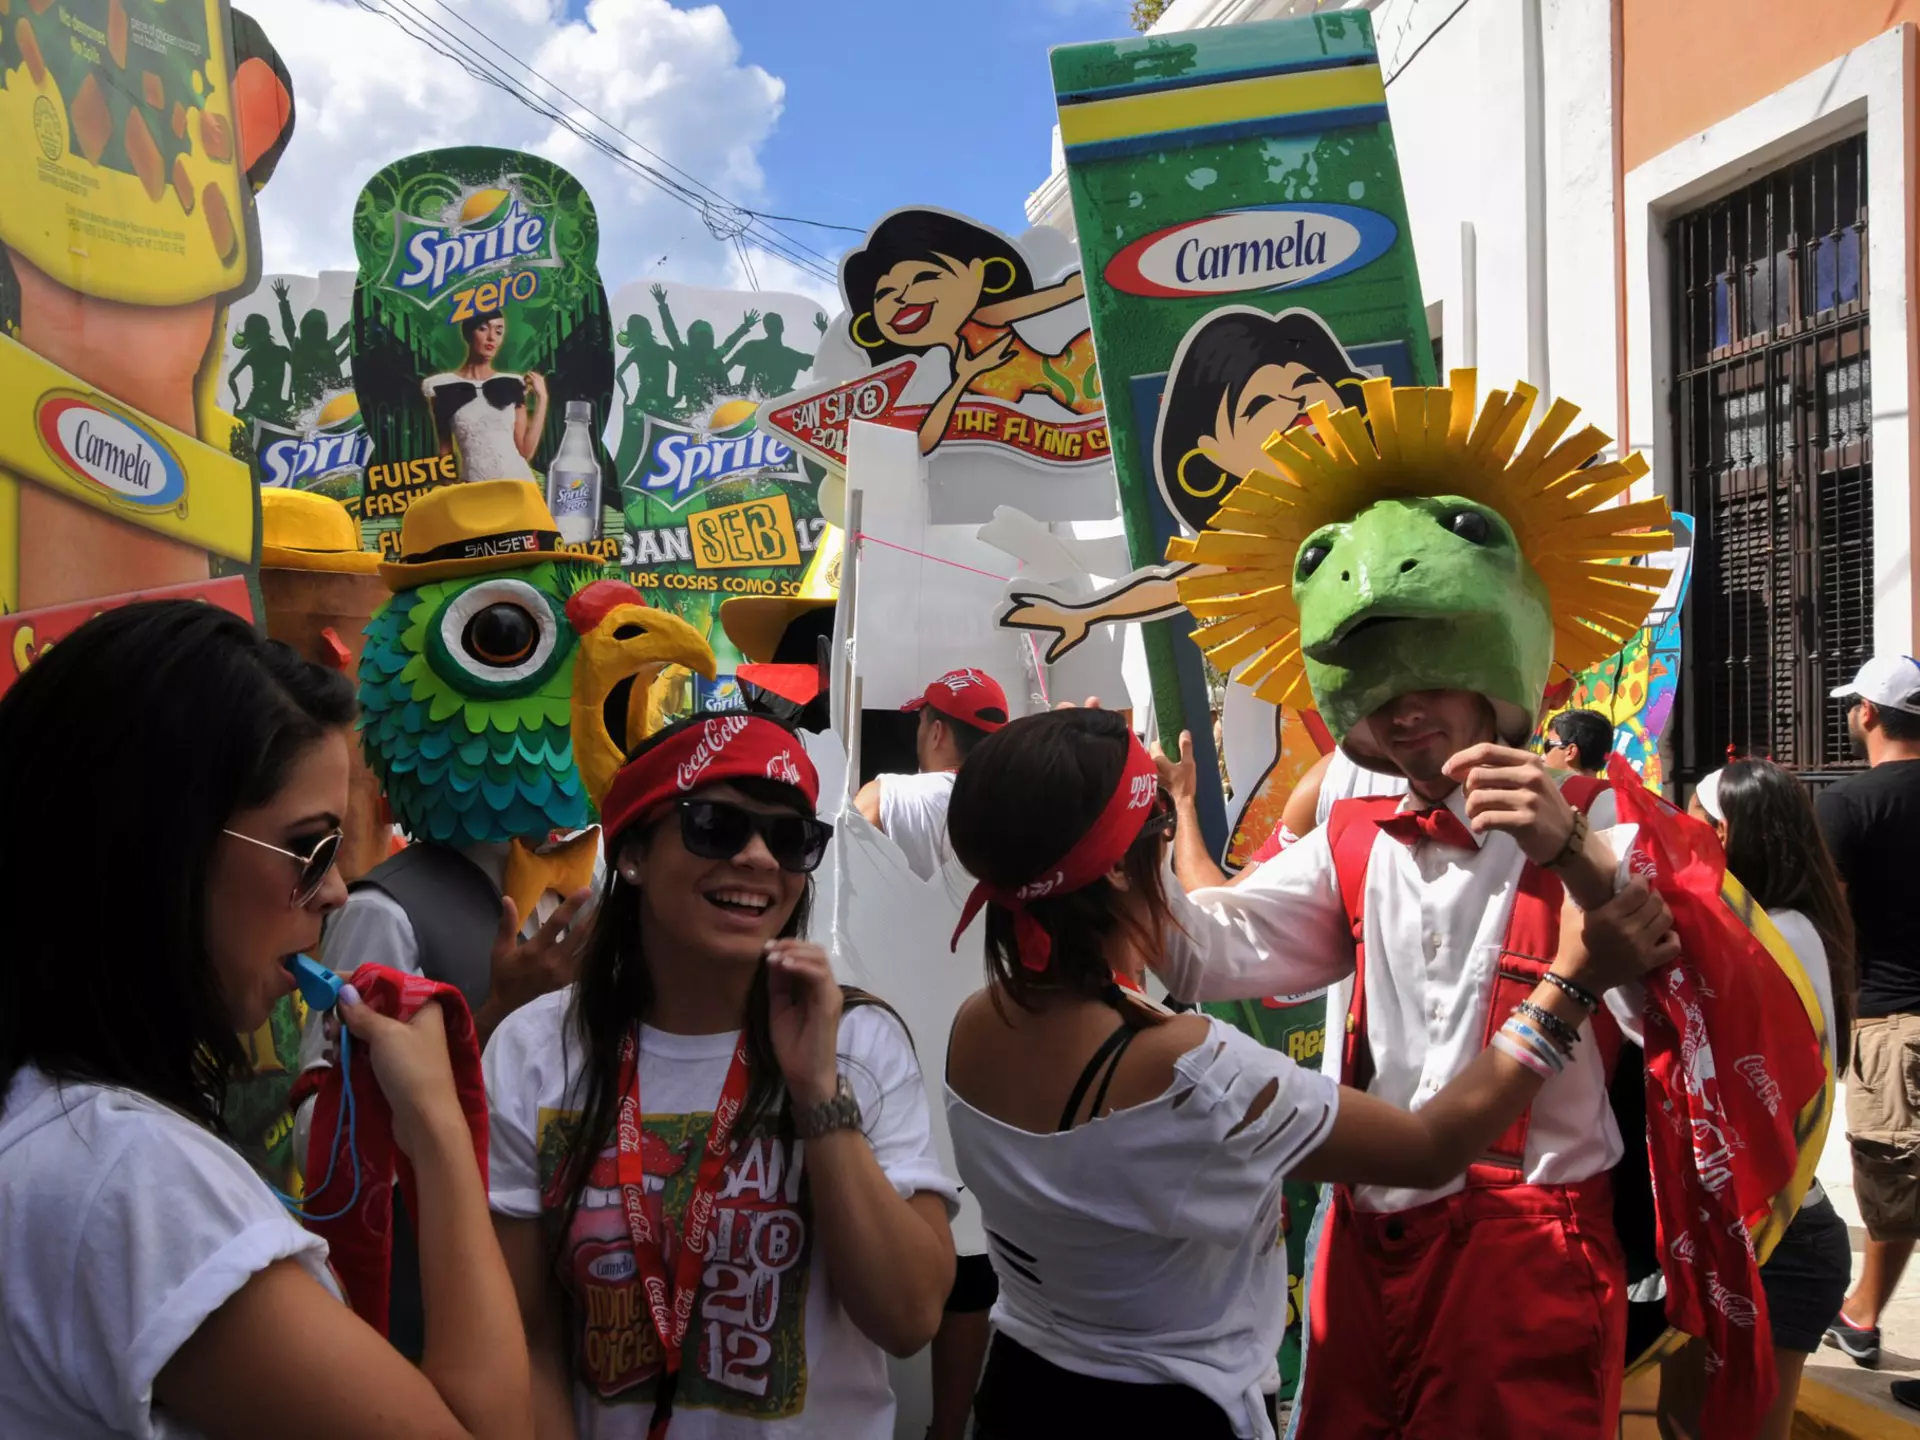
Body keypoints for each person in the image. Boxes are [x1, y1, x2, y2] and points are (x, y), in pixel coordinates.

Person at [1153, 370, 1828, 1437]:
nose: (1404, 710)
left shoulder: (1617, 825)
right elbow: (1214, 950)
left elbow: (1696, 1020)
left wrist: (1571, 854)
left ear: (1506, 662)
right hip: (1365, 1239)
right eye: (1374, 688)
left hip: (1533, 1251)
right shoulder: (1352, 831)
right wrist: (1102, 844)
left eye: (1432, 672)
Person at [943, 707, 1677, 1440]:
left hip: (1026, 1386)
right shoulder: (1193, 1066)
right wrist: (1571, 986)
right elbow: (1425, 1148)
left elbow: (1685, 1011)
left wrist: (1583, 857)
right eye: (1159, 819)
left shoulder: (976, 1022)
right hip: (1215, 1374)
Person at [0, 601, 531, 1438]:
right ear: (161, 851)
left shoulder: (46, 1122)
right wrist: (434, 1124)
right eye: (311, 849)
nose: (335, 891)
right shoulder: (131, 1181)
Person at [484, 712, 958, 1438]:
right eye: (716, 825)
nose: (761, 858)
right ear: (633, 853)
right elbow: (527, 1339)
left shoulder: (859, 1041)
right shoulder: (535, 1051)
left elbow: (909, 1317)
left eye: (791, 838)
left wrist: (818, 1093)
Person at [1662, 760, 1855, 1440]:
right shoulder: (1785, 924)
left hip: (1782, 1239)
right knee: (1684, 1419)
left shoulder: (1775, 934)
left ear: (1733, 833)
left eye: (1698, 823)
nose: (1685, 836)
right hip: (1744, 1230)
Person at [1816, 655, 1920, 1386]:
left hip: (1890, 1022)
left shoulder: (1848, 806)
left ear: (1868, 715)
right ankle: (1859, 1312)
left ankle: (1860, 1314)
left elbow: (1829, 918)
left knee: (1894, 1190)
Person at [840, 209, 1098, 455]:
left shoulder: (983, 318)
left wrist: (1075, 288)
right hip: (1061, 426)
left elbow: (1059, 295)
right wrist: (964, 378)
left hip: (1083, 378)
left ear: (977, 273)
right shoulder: (949, 368)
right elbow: (925, 443)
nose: (902, 298)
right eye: (885, 294)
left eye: (924, 277)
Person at [854, 668, 1010, 882]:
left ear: (937, 732)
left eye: (921, 721)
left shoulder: (883, 797)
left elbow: (841, 878)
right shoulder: (1022, 808)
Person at [425, 309, 547, 482]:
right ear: (468, 333)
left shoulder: (511, 384)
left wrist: (543, 399)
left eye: (498, 331)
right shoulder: (443, 387)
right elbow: (445, 452)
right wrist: (449, 491)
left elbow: (525, 451)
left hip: (518, 484)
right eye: (483, 328)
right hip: (474, 489)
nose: (492, 338)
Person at [1543, 708, 1615, 777]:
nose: (1542, 757)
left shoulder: (1541, 788)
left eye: (1548, 746)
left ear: (1570, 752)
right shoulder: (1609, 789)